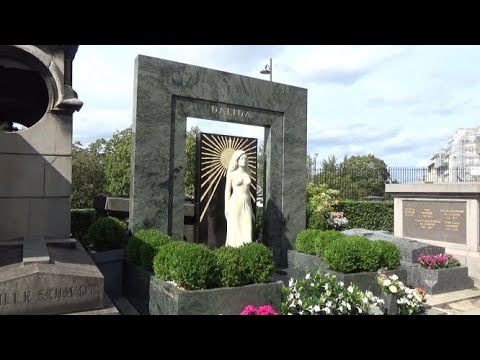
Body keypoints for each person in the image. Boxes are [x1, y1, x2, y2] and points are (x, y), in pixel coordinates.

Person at [224, 150, 254, 247]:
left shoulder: (248, 172)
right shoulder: (231, 174)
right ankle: (233, 251)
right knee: (235, 229)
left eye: (245, 158)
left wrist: (252, 210)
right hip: (235, 202)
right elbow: (227, 191)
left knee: (247, 229)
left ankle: (246, 252)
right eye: (241, 158)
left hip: (246, 202)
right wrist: (226, 207)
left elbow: (248, 191)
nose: (244, 160)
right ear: (237, 160)